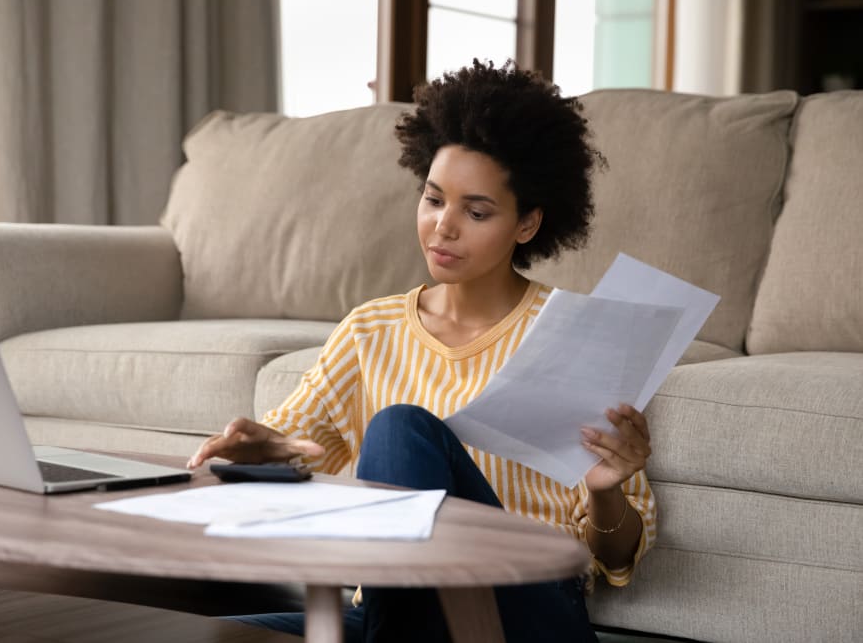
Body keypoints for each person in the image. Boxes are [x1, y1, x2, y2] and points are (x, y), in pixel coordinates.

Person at [187, 59, 656, 643]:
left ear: (528, 223)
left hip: (527, 608)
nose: (444, 227)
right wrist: (269, 446)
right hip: (397, 611)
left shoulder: (577, 335)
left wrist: (605, 488)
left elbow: (617, 558)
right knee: (213, 637)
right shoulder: (370, 330)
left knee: (399, 429)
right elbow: (302, 445)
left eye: (476, 211)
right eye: (434, 200)